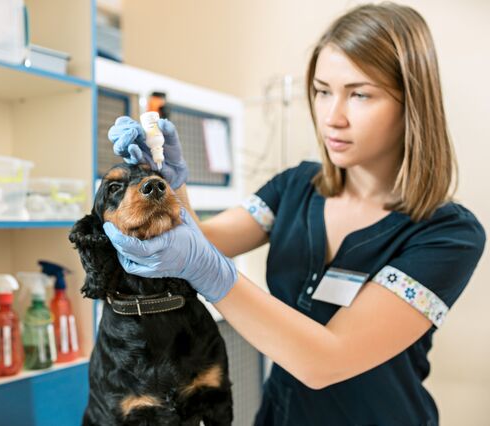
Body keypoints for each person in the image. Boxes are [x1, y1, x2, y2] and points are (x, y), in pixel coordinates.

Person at [104, 3, 486, 425]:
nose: (331, 117)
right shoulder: (295, 188)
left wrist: (211, 273)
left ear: (411, 102)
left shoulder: (449, 234)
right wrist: (169, 188)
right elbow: (203, 242)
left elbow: (326, 360)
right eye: (323, 91)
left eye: (359, 94)